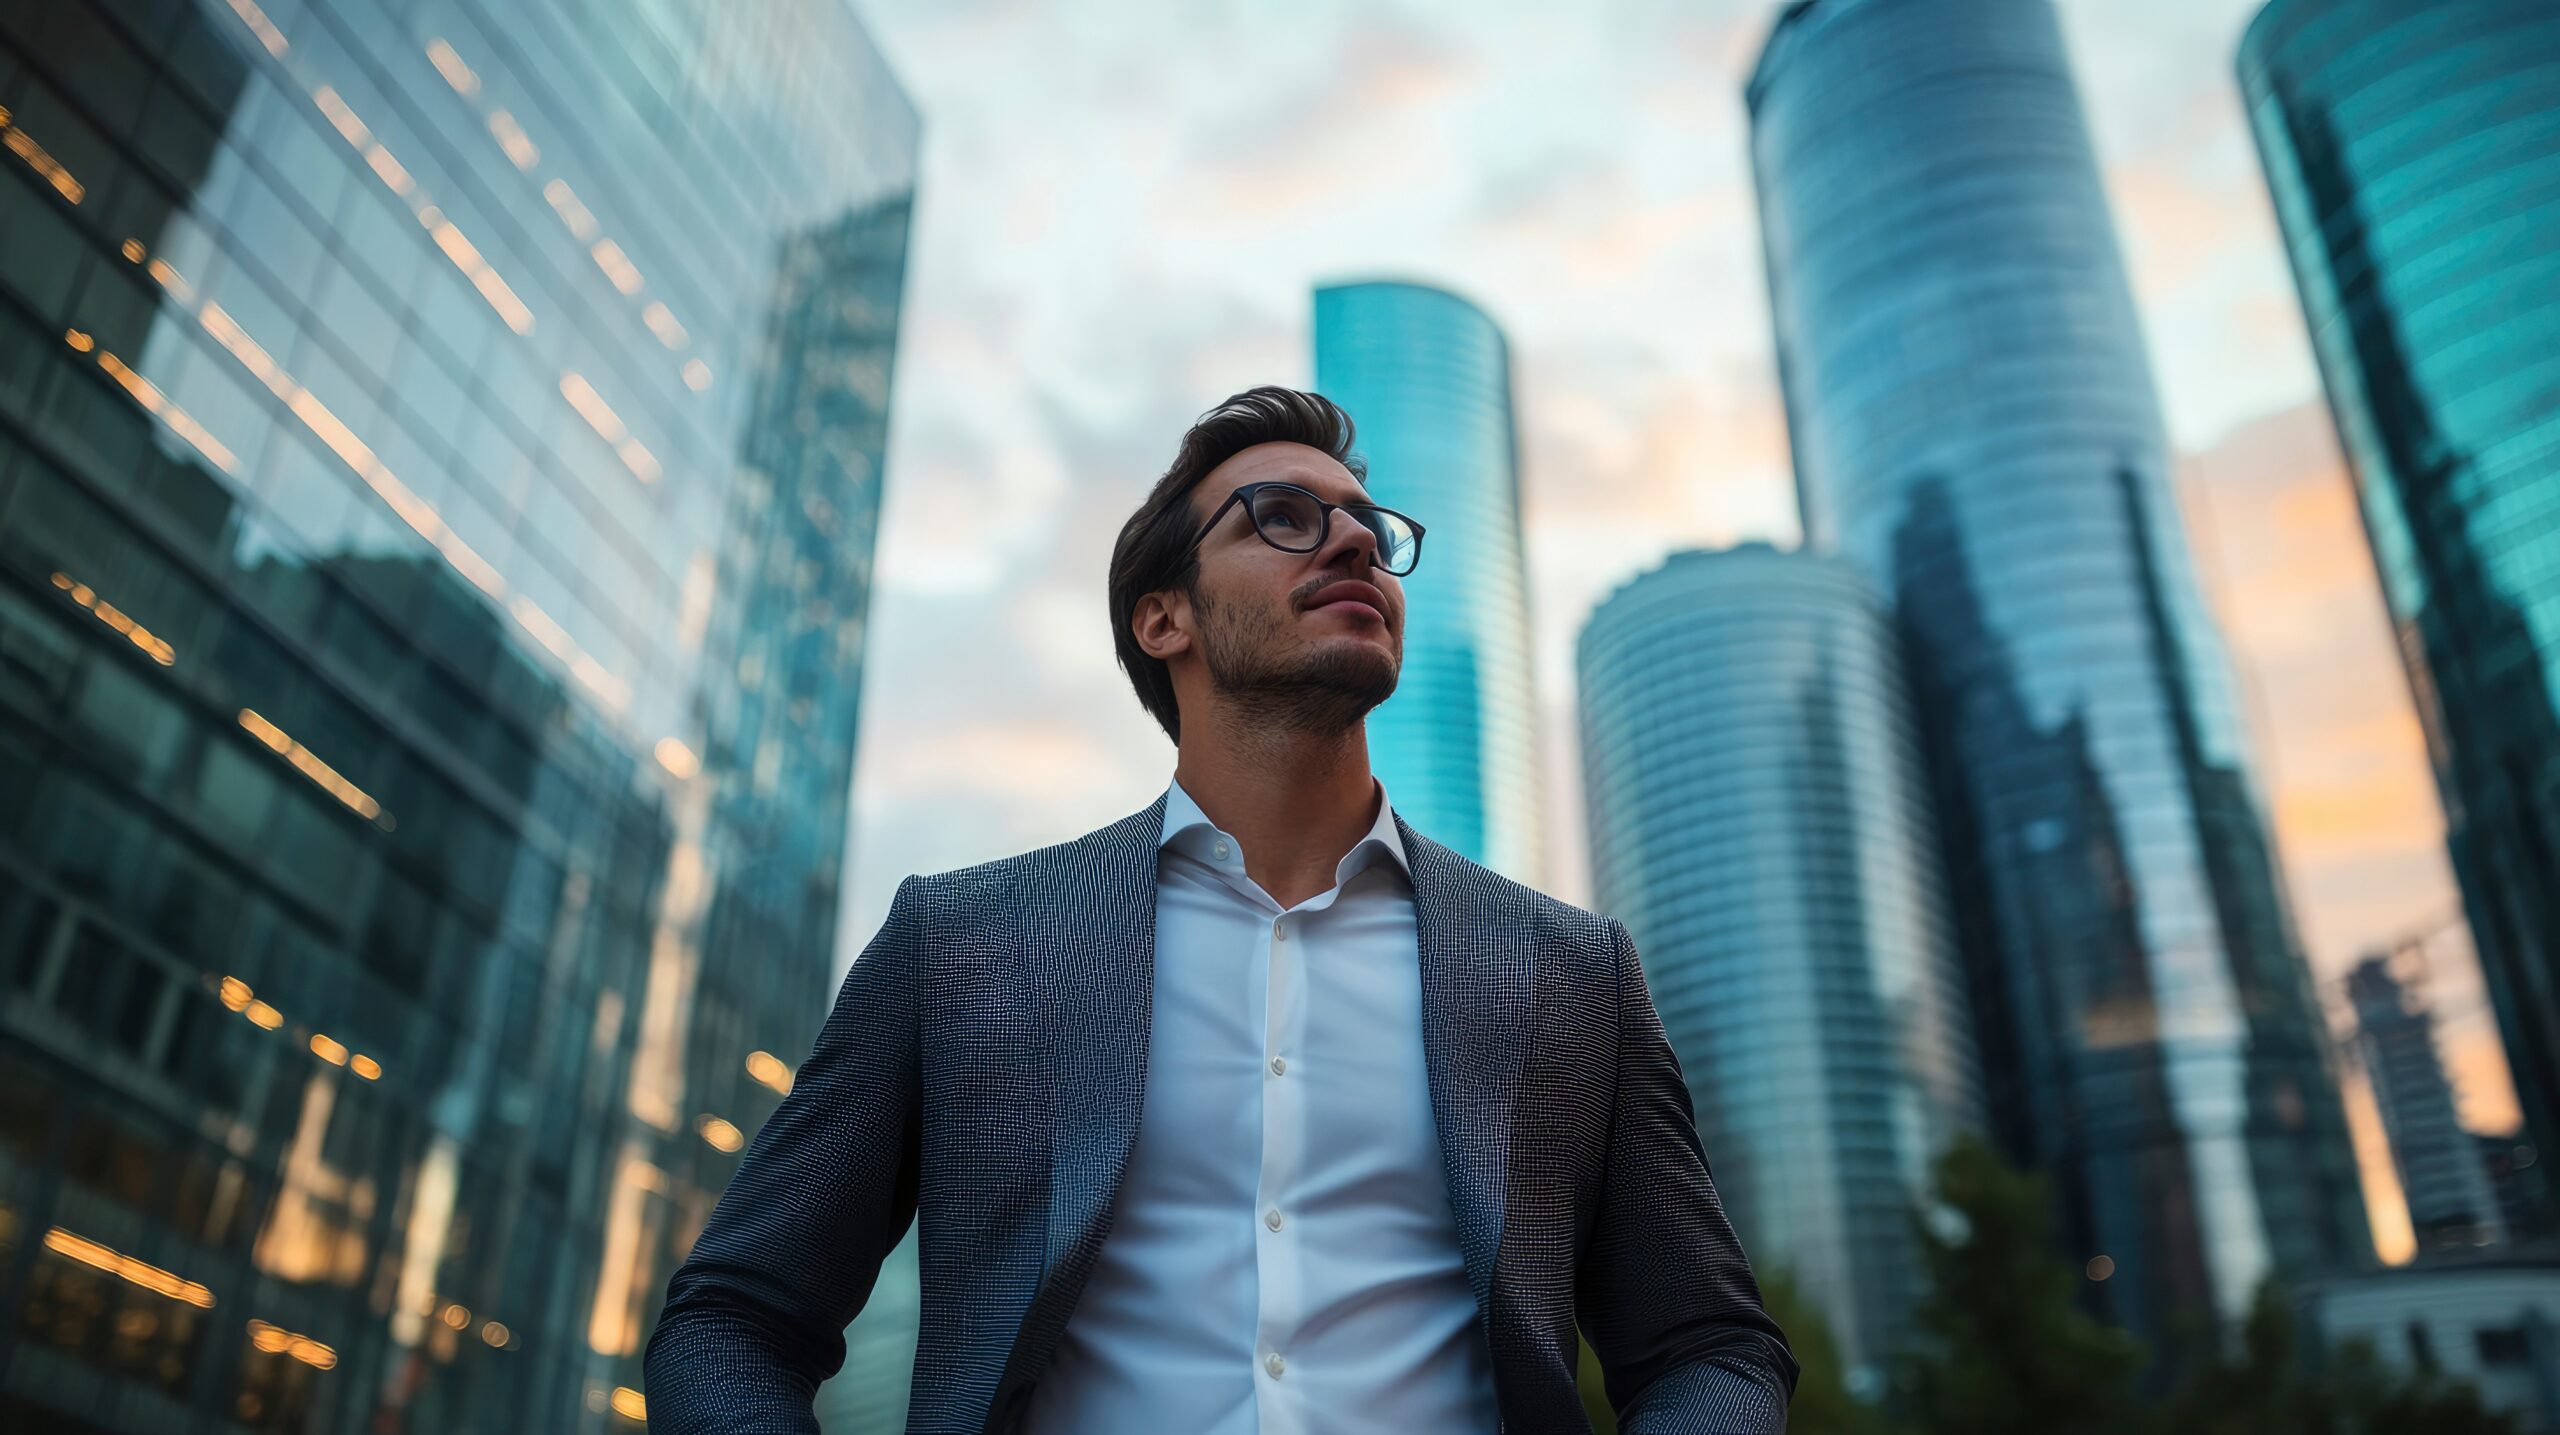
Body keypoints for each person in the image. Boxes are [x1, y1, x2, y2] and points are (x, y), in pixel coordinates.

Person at [641, 386, 1798, 1432]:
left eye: (1368, 525)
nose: (1352, 537)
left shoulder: (1568, 968)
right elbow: (735, 1318)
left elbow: (1708, 1347)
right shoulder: (960, 942)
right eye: (1280, 517)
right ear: (1163, 619)